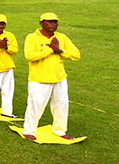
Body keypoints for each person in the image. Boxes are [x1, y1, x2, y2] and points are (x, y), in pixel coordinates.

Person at [22, 12, 80, 140]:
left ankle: (60, 130)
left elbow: (76, 55)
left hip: (59, 77)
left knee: (61, 105)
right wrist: (50, 50)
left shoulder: (62, 37)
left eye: (55, 22)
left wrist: (60, 51)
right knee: (36, 105)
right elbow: (29, 56)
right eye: (50, 22)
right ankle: (29, 131)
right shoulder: (32, 37)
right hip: (40, 78)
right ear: (41, 23)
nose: (53, 24)